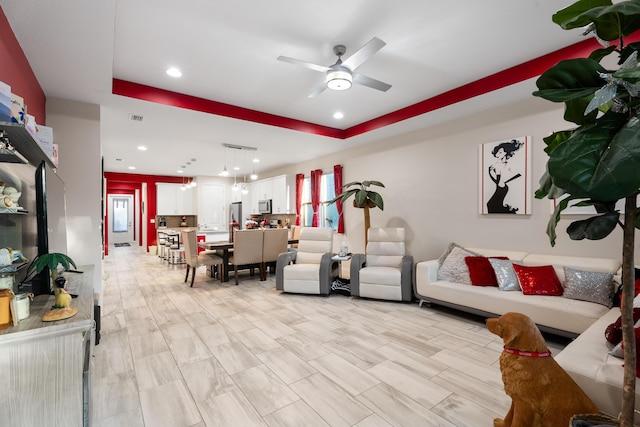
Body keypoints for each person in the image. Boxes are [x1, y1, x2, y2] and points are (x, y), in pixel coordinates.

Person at [486, 139, 524, 213]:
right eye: (497, 152)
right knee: (492, 205)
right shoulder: (498, 165)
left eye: (500, 152)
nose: (497, 154)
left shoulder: (501, 165)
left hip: (502, 187)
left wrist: (491, 173)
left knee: (491, 205)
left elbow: (499, 182)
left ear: (506, 153)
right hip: (502, 187)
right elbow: (499, 182)